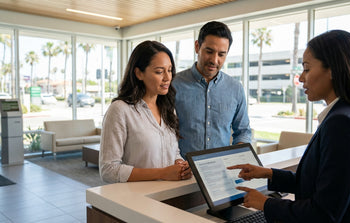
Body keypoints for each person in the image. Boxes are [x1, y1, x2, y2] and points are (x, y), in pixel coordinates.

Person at [228, 30, 350, 222]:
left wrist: (264, 203)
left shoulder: (343, 123)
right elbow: (320, 185)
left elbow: (323, 214)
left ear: (332, 70)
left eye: (306, 69)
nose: (301, 79)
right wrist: (268, 174)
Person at [99, 40, 192, 183]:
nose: (167, 78)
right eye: (159, 72)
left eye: (169, 70)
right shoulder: (120, 110)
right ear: (139, 73)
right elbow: (108, 170)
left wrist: (181, 165)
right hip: (137, 199)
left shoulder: (168, 109)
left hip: (169, 194)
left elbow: (174, 153)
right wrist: (162, 173)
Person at [173, 21, 252, 157]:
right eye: (209, 52)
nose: (214, 60)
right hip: (182, 171)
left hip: (221, 171)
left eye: (221, 54)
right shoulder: (173, 85)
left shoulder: (235, 88)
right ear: (197, 46)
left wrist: (238, 157)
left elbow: (243, 132)